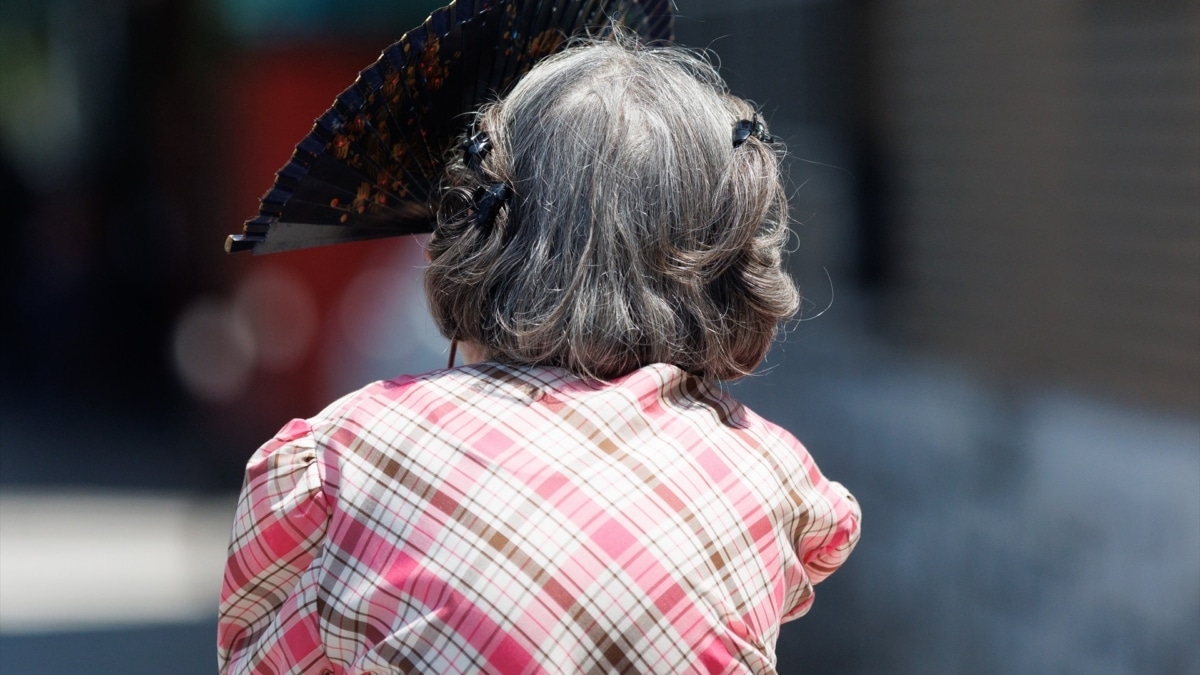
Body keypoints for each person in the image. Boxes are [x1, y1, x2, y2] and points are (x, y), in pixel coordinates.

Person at [218, 37, 860, 675]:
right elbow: (813, 551)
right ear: (729, 255)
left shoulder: (340, 455)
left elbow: (261, 656)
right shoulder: (770, 472)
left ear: (477, 231)